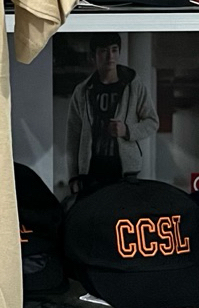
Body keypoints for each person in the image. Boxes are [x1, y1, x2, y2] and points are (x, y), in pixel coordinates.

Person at [67, 33, 159, 193]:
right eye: (104, 51)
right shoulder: (83, 90)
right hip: (91, 171)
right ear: (93, 56)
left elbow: (152, 122)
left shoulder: (133, 85)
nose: (110, 56)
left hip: (125, 171)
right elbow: (73, 136)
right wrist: (73, 176)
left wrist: (127, 130)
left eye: (114, 50)